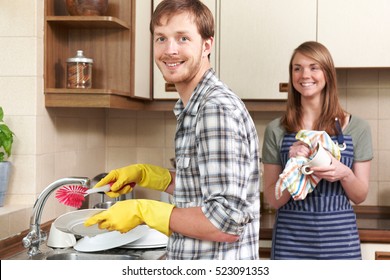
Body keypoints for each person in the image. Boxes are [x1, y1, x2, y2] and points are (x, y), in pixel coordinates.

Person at [84, 0, 260, 260]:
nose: (170, 50)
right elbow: (202, 189)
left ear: (206, 46)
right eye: (161, 39)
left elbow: (226, 221)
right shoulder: (193, 107)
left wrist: (144, 211)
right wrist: (151, 176)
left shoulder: (215, 109)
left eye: (183, 38)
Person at [262, 41, 373, 260]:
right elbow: (273, 200)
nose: (305, 74)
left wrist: (345, 173)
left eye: (314, 67)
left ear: (328, 74)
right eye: (297, 68)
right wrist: (294, 168)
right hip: (290, 244)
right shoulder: (277, 130)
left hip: (341, 243)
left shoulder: (358, 128)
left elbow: (359, 195)